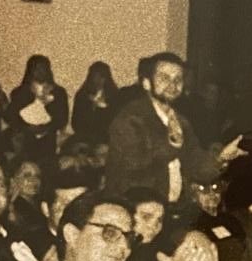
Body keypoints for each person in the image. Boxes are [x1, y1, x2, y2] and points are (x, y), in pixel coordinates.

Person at [105, 53, 207, 204]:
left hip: (171, 207)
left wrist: (222, 158)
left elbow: (194, 161)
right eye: (164, 78)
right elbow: (136, 167)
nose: (173, 85)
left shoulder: (180, 120)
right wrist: (174, 144)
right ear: (146, 83)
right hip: (134, 208)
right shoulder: (131, 118)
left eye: (178, 79)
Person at [7, 55, 69, 164]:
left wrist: (46, 128)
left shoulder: (59, 92)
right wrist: (27, 127)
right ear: (30, 71)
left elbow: (62, 118)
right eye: (36, 68)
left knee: (48, 152)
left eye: (43, 68)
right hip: (25, 134)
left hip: (49, 134)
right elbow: (11, 116)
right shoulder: (19, 92)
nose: (40, 72)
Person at [72, 61, 119, 145]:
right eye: (95, 77)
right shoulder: (82, 96)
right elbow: (75, 122)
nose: (98, 80)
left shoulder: (114, 97)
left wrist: (103, 109)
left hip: (105, 140)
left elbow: (115, 123)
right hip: (84, 138)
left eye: (102, 77)